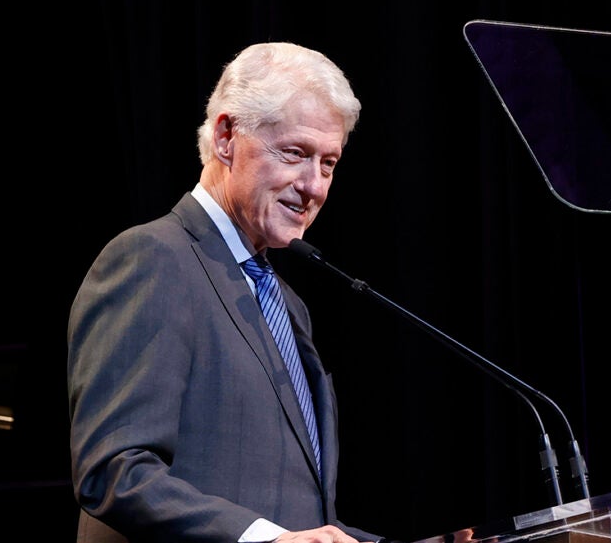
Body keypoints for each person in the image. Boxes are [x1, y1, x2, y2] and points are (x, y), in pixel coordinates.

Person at [68, 41, 389, 542]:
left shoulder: (289, 306)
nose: (314, 187)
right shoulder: (153, 259)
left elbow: (298, 517)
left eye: (328, 164)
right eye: (296, 154)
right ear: (225, 138)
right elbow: (114, 472)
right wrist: (271, 540)